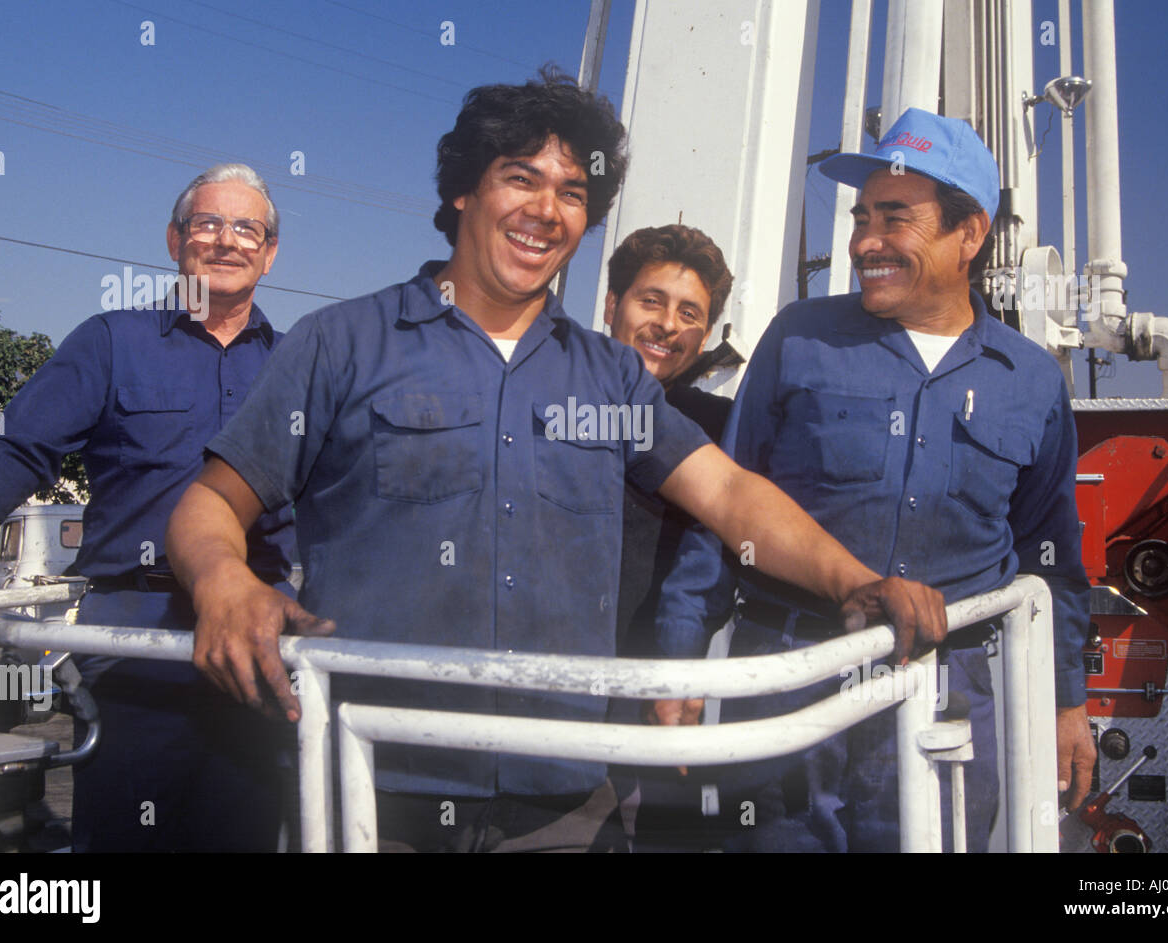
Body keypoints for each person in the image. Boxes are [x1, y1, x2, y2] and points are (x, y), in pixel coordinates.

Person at [164, 71, 945, 853]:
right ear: (465, 191)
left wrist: (855, 580)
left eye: (573, 191)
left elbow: (732, 494)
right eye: (521, 178)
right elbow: (212, 502)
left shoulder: (609, 377)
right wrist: (223, 581)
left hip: (562, 802)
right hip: (374, 782)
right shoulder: (341, 345)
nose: (546, 209)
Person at [654, 107, 1095, 852]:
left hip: (951, 697)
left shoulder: (1031, 381)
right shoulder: (800, 338)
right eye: (861, 217)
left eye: (895, 218)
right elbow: (723, 505)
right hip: (789, 680)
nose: (863, 242)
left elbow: (1050, 556)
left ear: (971, 233)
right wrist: (678, 656)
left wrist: (1066, 700)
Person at [0, 163, 296, 852]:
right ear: (175, 240)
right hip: (135, 647)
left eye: (246, 228)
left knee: (248, 836)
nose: (226, 241)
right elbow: (18, 452)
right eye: (207, 224)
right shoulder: (110, 343)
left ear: (270, 252)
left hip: (261, 644)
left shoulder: (298, 367)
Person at [601, 224, 735, 850]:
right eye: (649, 301)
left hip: (662, 701)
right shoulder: (541, 403)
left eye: (690, 314)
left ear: (705, 336)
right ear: (611, 306)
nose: (667, 325)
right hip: (541, 692)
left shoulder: (722, 432)